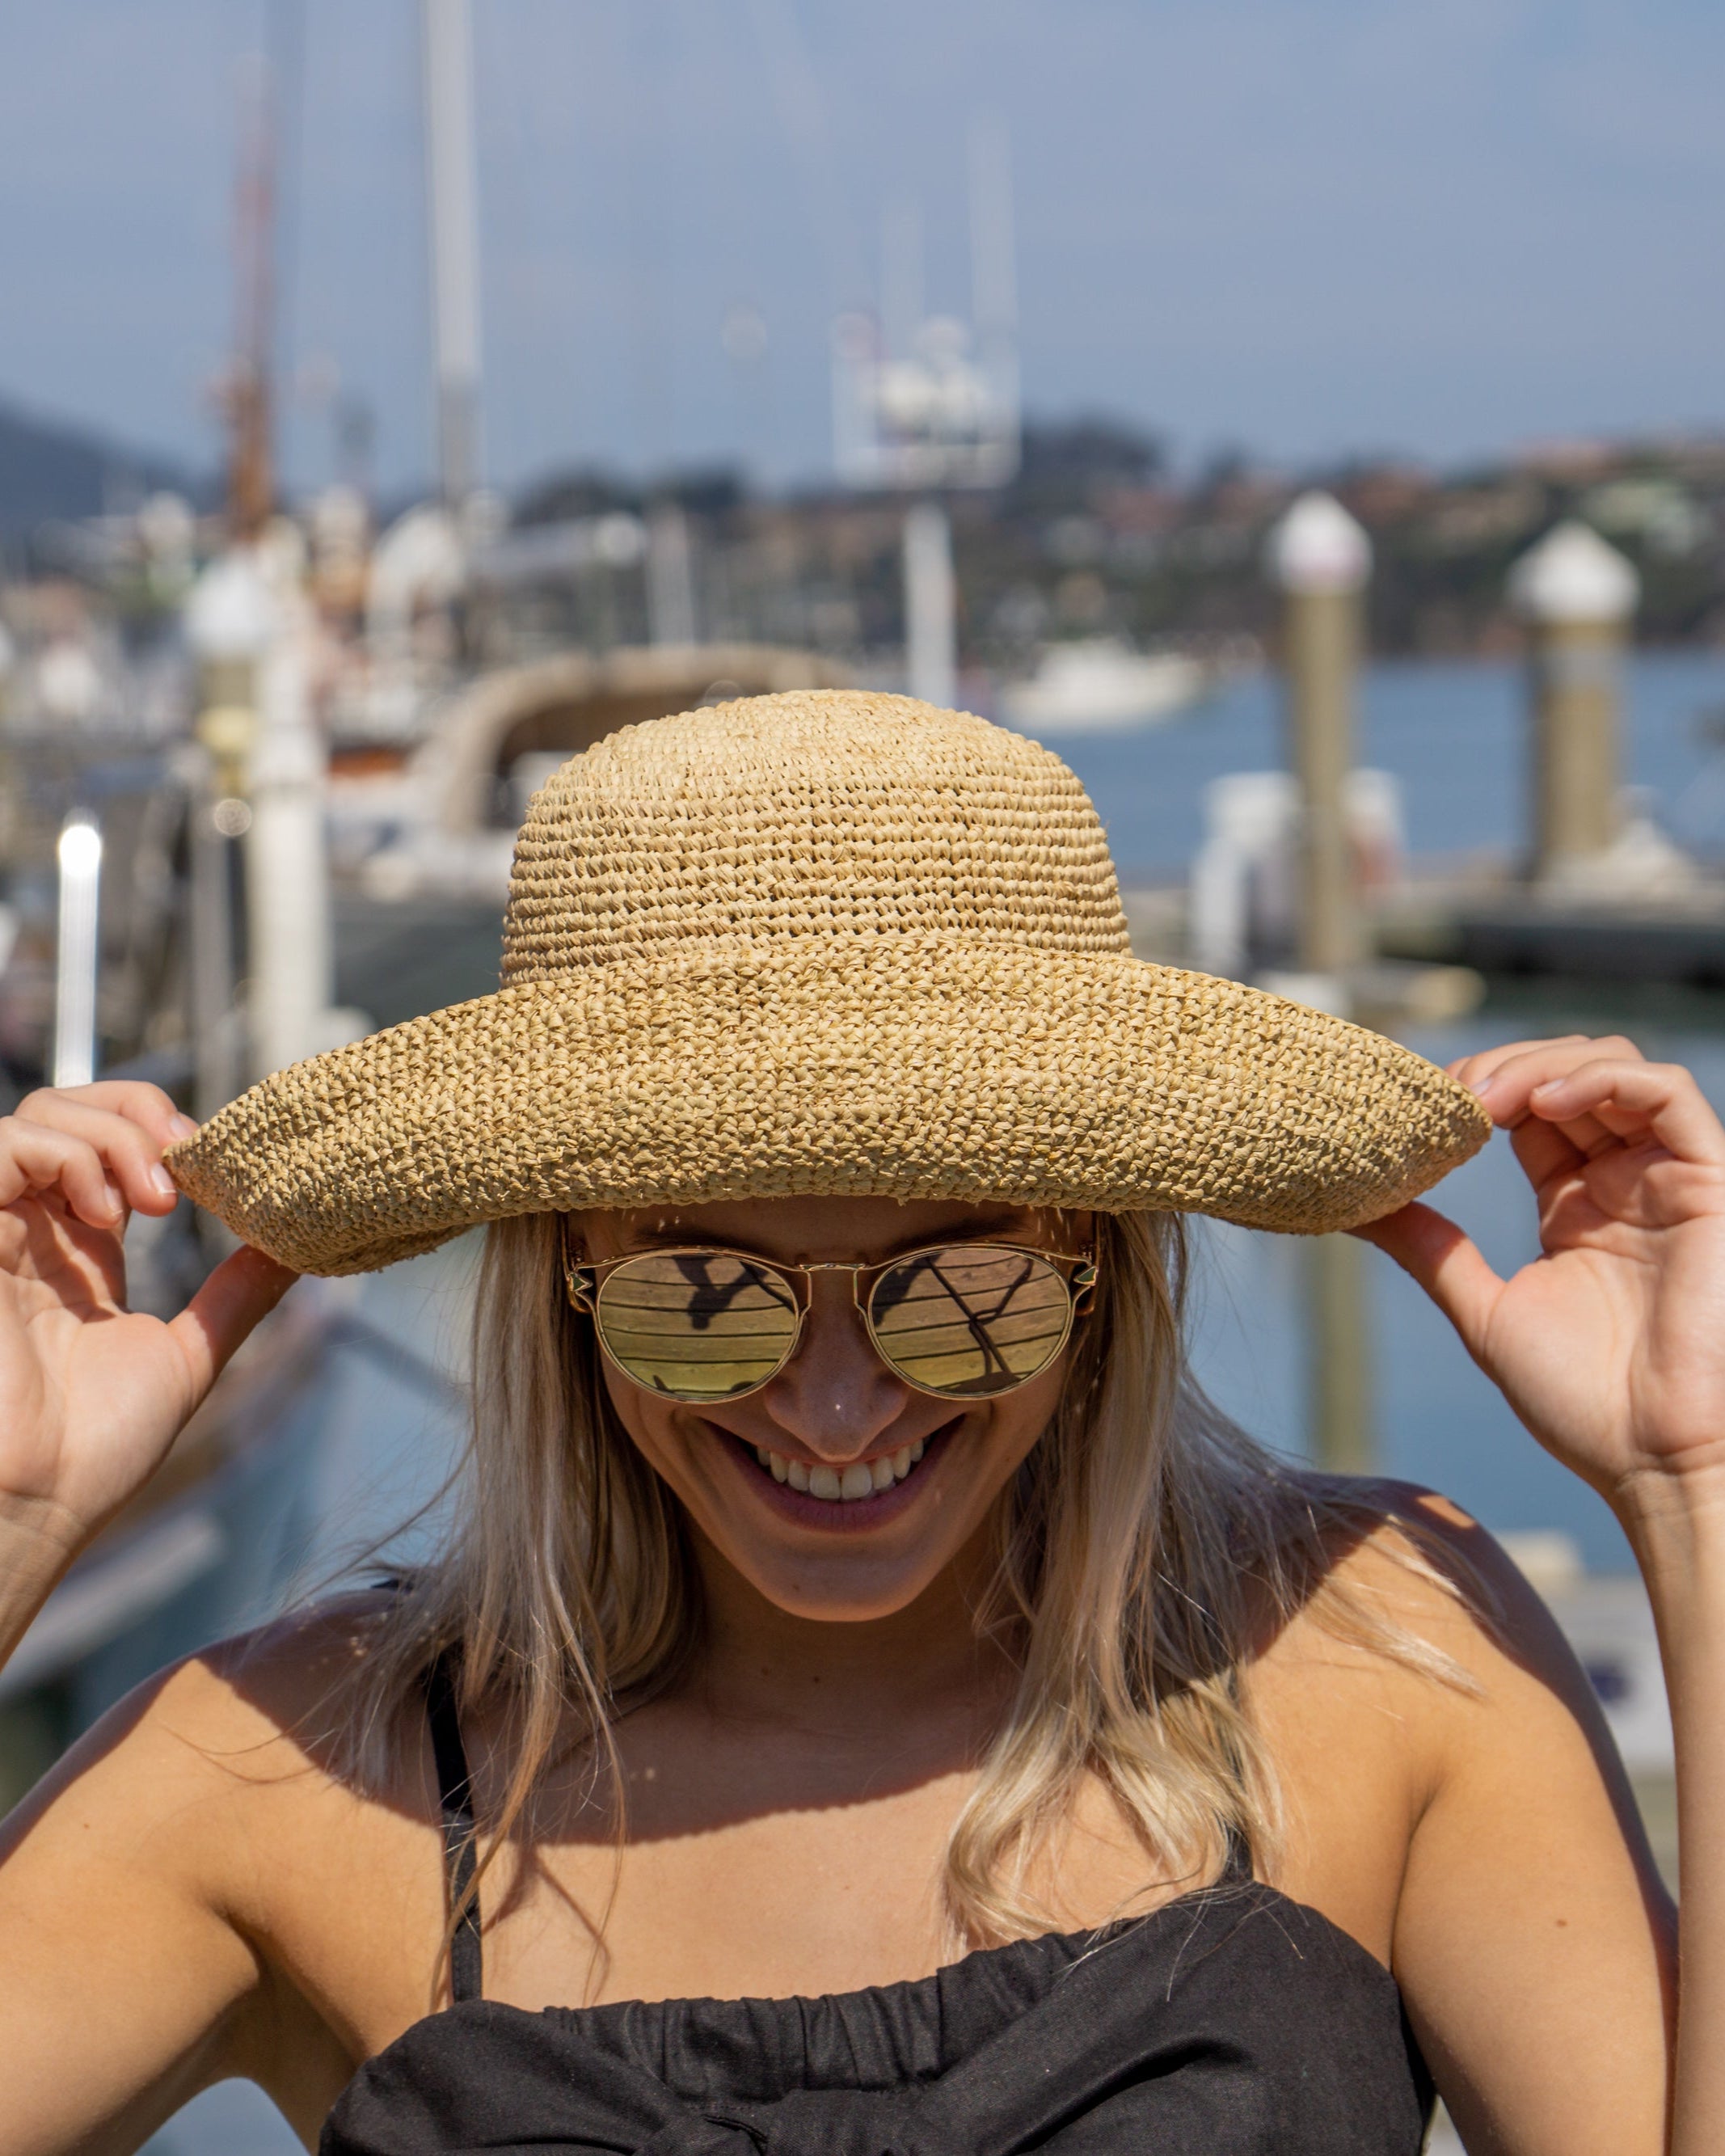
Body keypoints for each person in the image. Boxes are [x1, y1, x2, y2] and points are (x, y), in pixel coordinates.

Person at [0, 690, 1718, 2155]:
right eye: (704, 1293)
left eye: (959, 1291)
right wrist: (13, 1520)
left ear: (1102, 1264)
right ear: (567, 1281)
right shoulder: (297, 1771)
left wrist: (1690, 1480)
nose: (834, 1406)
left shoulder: (1385, 1656)